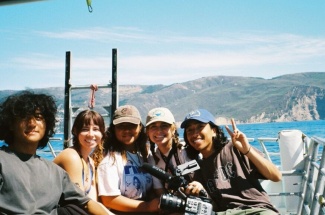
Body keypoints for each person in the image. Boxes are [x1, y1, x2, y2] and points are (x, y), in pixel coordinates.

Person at [0, 90, 111, 215]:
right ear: (11, 124)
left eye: (38, 118)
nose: (32, 123)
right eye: (24, 117)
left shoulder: (56, 172)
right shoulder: (3, 162)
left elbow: (86, 203)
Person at [181, 109, 282, 215]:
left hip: (256, 209)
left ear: (214, 131)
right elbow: (212, 206)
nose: (195, 134)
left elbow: (276, 176)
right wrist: (202, 191)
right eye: (190, 130)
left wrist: (247, 151)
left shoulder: (234, 148)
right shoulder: (196, 169)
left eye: (200, 127)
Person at [97, 105, 160, 214]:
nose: (126, 130)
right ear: (113, 129)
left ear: (140, 127)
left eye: (131, 125)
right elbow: (109, 200)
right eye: (121, 126)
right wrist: (147, 206)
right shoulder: (110, 159)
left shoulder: (146, 154)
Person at [53, 110, 113, 214]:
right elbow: (81, 202)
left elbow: (92, 200)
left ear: (102, 133)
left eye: (96, 129)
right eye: (85, 129)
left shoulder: (90, 161)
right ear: (76, 131)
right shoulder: (71, 156)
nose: (91, 134)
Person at [146, 107, 194, 195]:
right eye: (153, 126)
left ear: (173, 129)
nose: (158, 131)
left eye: (164, 125)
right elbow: (159, 189)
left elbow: (197, 178)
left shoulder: (185, 151)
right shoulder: (152, 158)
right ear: (147, 132)